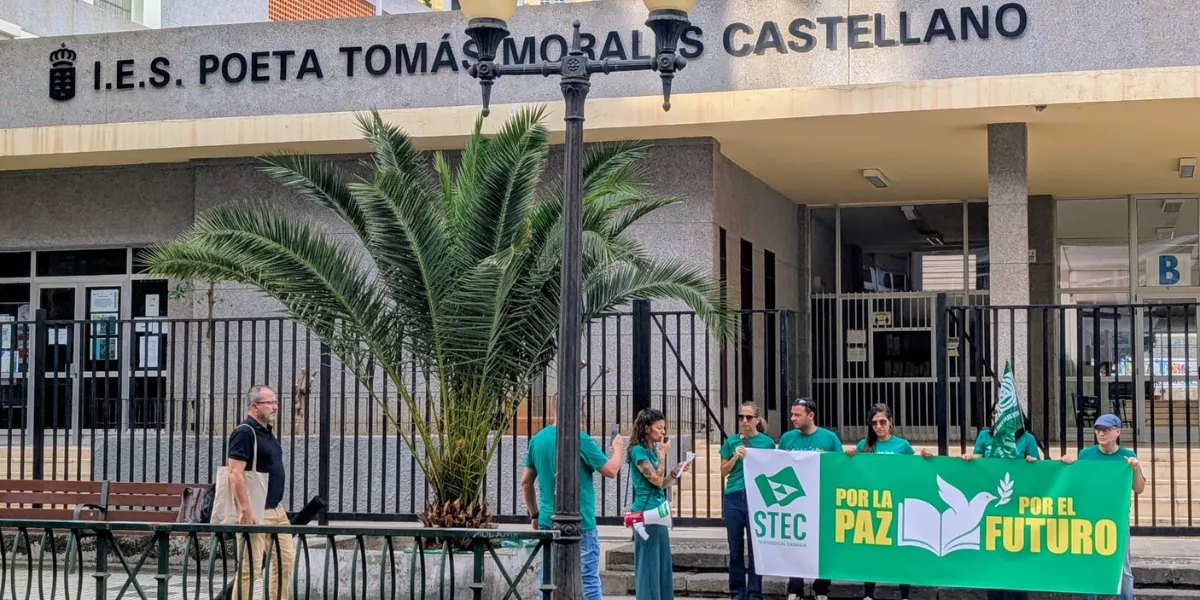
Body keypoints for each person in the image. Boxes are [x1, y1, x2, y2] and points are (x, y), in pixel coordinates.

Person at [521, 417, 624, 600]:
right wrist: (617, 450)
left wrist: (534, 514)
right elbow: (611, 471)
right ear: (579, 413)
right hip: (581, 522)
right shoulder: (580, 439)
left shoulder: (537, 439)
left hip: (547, 520)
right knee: (588, 580)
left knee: (547, 579)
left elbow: (526, 482)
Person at [845, 403, 931, 600]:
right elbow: (854, 473)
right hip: (873, 506)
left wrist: (925, 458)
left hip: (896, 505)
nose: (878, 426)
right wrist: (850, 456)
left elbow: (914, 471)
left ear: (890, 422)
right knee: (872, 550)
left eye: (882, 421)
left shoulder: (902, 446)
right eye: (874, 423)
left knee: (900, 550)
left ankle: (905, 595)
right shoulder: (863, 446)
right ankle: (868, 594)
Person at [1062, 413, 1144, 600]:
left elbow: (1139, 488)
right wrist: (1067, 465)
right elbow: (1077, 483)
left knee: (1122, 567)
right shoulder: (1086, 455)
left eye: (1106, 430)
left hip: (1116, 519)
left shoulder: (1127, 456)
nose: (1101, 433)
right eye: (1098, 430)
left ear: (1117, 432)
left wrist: (1136, 468)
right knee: (1089, 564)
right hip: (1090, 518)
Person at [963, 402, 1038, 600]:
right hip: (993, 508)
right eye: (996, 412)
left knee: (1017, 557)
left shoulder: (1027, 438)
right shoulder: (985, 436)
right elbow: (977, 461)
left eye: (1004, 412)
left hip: (1017, 508)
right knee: (993, 558)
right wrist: (970, 459)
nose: (998, 415)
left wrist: (1032, 464)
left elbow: (1040, 471)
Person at [227, 385, 293, 600]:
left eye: (276, 402)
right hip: (256, 510)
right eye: (270, 402)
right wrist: (246, 510)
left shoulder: (267, 433)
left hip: (276, 510)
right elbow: (234, 473)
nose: (275, 407)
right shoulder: (244, 433)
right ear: (254, 406)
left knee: (285, 563)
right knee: (250, 569)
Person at [778, 398, 841, 600]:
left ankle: (821, 589)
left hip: (821, 499)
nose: (793, 418)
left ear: (810, 415)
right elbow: (777, 466)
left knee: (821, 544)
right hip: (795, 501)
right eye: (792, 414)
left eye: (797, 414)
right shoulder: (788, 438)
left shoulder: (829, 438)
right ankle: (795, 587)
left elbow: (840, 466)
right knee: (795, 542)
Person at [628, 408, 692, 600]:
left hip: (658, 509)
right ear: (647, 428)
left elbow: (662, 482)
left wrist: (675, 472)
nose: (663, 432)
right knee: (648, 562)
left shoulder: (651, 450)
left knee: (661, 560)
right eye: (659, 428)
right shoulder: (638, 451)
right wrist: (663, 455)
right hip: (646, 513)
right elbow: (655, 480)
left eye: (664, 428)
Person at [719, 402, 776, 600]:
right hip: (734, 495)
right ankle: (737, 592)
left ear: (757, 420)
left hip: (756, 496)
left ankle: (754, 592)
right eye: (741, 417)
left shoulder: (767, 443)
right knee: (735, 548)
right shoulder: (731, 442)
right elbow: (723, 470)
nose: (744, 420)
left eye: (748, 417)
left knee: (755, 549)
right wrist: (735, 457)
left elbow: (771, 469)